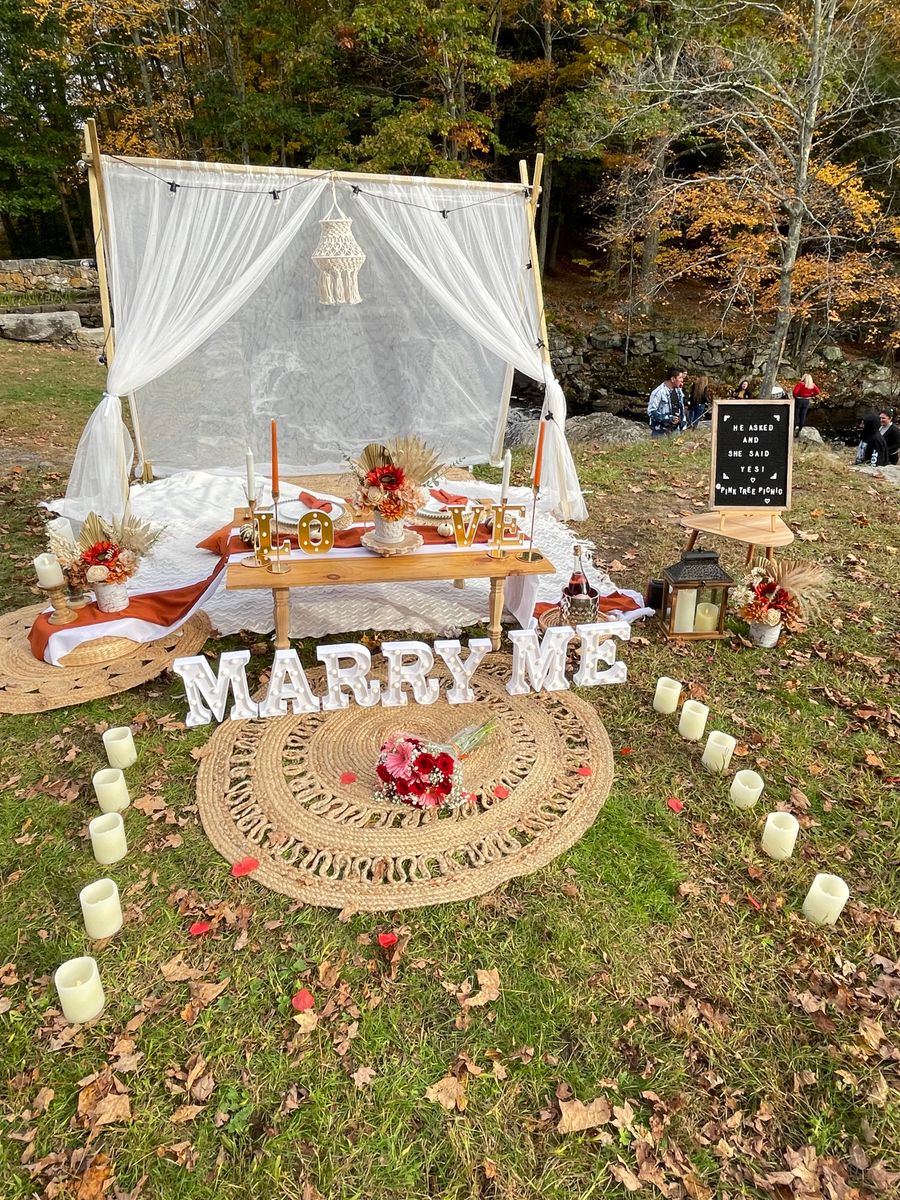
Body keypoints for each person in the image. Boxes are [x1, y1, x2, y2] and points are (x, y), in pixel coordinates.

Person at [647, 367, 686, 437]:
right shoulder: (658, 392)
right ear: (673, 379)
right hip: (660, 432)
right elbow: (651, 411)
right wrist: (667, 418)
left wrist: (683, 423)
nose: (682, 380)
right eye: (680, 378)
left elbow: (681, 408)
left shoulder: (678, 391)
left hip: (676, 430)